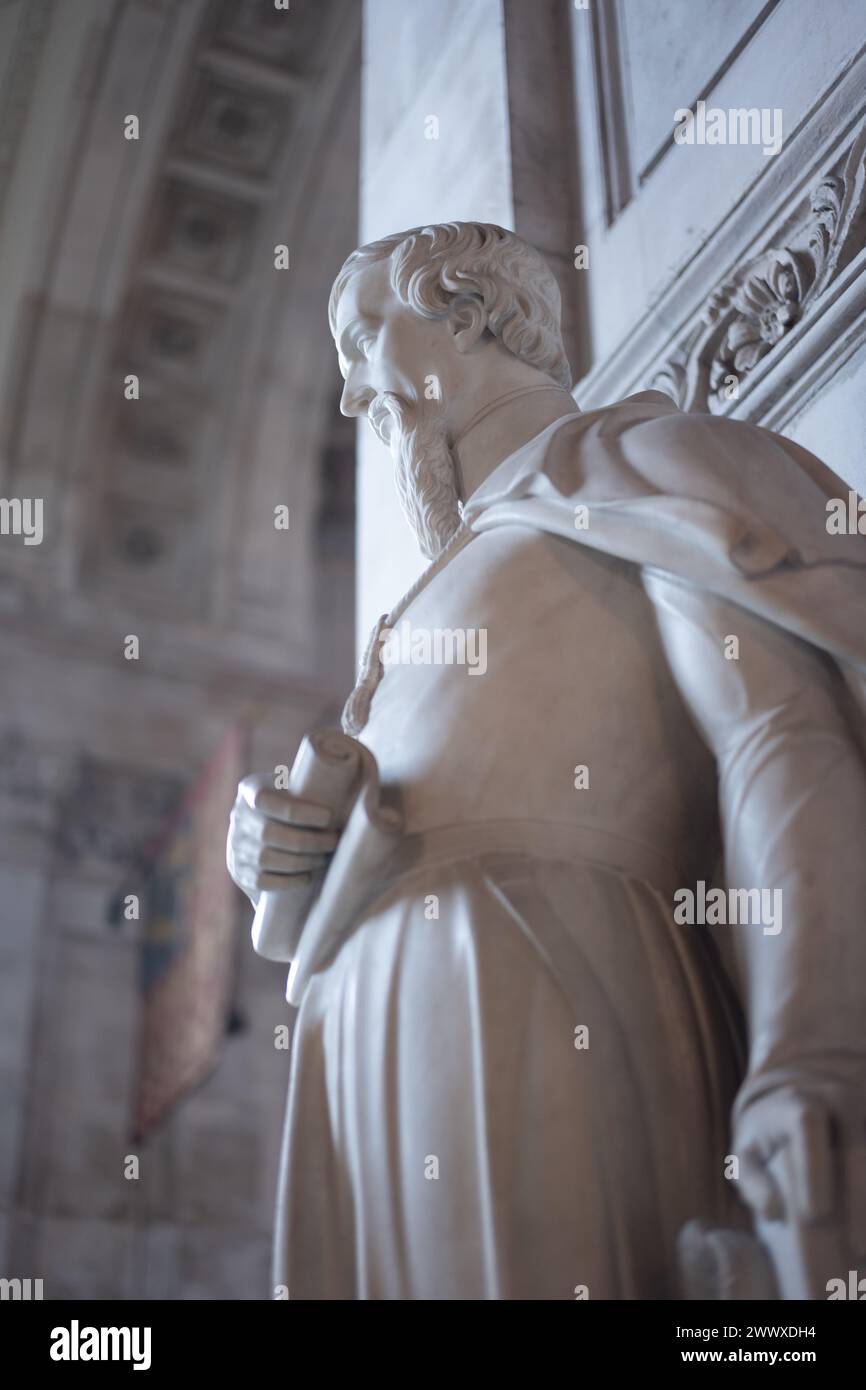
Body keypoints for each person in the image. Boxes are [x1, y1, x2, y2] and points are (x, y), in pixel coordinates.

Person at [227, 222, 866, 1299]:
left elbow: (779, 743)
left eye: (360, 343)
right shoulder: (421, 603)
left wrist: (816, 1049)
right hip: (362, 1058)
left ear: (466, 313)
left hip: (546, 1005)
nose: (349, 401)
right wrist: (282, 848)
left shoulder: (645, 464)